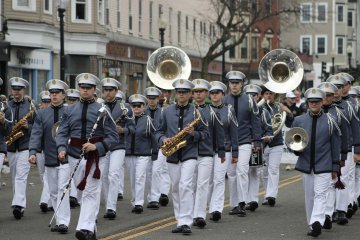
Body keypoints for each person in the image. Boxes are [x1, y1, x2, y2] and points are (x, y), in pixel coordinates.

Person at [56, 73, 119, 240]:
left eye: (88, 88)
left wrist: (96, 146)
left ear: (94, 90)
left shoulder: (103, 110)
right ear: (79, 89)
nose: (84, 91)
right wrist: (61, 148)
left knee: (91, 191)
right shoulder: (69, 110)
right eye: (82, 88)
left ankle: (83, 228)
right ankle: (92, 229)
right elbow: (62, 133)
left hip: (96, 157)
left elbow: (113, 137)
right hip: (74, 155)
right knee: (80, 191)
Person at [155, 79, 209, 235]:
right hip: (172, 153)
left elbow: (206, 134)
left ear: (190, 94)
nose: (181, 95)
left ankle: (186, 221)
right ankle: (180, 220)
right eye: (179, 92)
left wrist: (195, 133)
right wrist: (163, 139)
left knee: (186, 185)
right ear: (175, 93)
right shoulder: (167, 111)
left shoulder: (197, 111)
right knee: (176, 188)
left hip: (189, 153)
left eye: (185, 92)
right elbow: (158, 131)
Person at [287, 87, 340, 237]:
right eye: (311, 101)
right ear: (308, 102)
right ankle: (312, 223)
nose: (314, 104)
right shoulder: (299, 120)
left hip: (324, 164)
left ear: (322, 102)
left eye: (317, 101)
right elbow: (291, 141)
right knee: (309, 195)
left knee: (320, 194)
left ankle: (317, 221)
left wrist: (335, 166)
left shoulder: (331, 121)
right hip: (306, 163)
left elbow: (335, 145)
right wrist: (296, 150)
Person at [29, 79, 71, 233]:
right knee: (53, 191)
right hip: (50, 158)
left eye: (57, 93)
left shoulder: (69, 111)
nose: (54, 96)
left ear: (63, 95)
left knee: (62, 188)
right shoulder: (42, 113)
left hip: (66, 158)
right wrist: (33, 152)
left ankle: (64, 222)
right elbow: (36, 134)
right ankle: (59, 220)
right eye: (52, 93)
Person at [223, 71, 262, 217]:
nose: (234, 85)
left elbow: (256, 121)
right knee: (231, 173)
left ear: (242, 84)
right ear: (229, 84)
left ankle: (242, 202)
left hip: (245, 141)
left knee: (242, 170)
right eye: (232, 83)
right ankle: (234, 204)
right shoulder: (224, 100)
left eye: (237, 83)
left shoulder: (250, 100)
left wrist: (257, 140)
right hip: (228, 143)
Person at [191, 79, 225, 228]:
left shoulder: (213, 111)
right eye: (196, 92)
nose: (198, 95)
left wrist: (222, 152)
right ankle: (189, 213)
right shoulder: (187, 111)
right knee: (189, 185)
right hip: (188, 153)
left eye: (201, 92)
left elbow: (219, 133)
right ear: (192, 94)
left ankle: (199, 215)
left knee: (202, 184)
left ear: (207, 94)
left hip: (206, 152)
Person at [327, 74, 360, 225]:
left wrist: (357, 150)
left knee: (344, 178)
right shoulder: (324, 105)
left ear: (344, 88)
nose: (336, 90)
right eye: (333, 87)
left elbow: (355, 128)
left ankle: (341, 210)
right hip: (328, 149)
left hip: (346, 147)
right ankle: (329, 211)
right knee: (329, 180)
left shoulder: (351, 105)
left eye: (339, 87)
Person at [317, 81, 349, 230]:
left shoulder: (339, 112)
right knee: (319, 187)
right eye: (323, 95)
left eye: (329, 95)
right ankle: (320, 214)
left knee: (331, 183)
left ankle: (328, 214)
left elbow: (345, 135)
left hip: (333, 152)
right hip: (318, 153)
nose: (326, 98)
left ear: (333, 97)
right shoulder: (313, 111)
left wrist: (343, 156)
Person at [101, 78, 134, 220]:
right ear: (102, 92)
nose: (108, 93)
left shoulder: (124, 107)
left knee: (113, 175)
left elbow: (133, 128)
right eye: (106, 90)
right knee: (103, 176)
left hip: (118, 145)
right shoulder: (97, 106)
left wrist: (123, 130)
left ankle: (111, 207)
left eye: (111, 90)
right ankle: (108, 201)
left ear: (116, 91)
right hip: (102, 145)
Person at [207, 81, 238, 221]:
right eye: (212, 93)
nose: (214, 95)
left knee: (219, 179)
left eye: (217, 93)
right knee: (208, 181)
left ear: (222, 95)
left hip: (224, 149)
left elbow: (234, 132)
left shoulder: (229, 110)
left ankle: (216, 209)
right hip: (207, 150)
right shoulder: (204, 110)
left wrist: (235, 152)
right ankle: (206, 206)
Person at [7, 77, 35, 220]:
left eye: (19, 90)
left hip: (25, 145)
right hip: (11, 146)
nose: (16, 92)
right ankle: (19, 204)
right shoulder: (6, 105)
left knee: (21, 176)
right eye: (14, 89)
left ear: (23, 90)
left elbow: (37, 127)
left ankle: (18, 205)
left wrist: (27, 126)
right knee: (13, 177)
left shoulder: (30, 106)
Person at [260, 86, 293, 207]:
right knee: (264, 171)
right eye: (266, 93)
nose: (269, 96)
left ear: (275, 95)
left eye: (271, 94)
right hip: (262, 142)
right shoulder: (258, 108)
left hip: (276, 143)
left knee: (273, 169)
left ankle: (271, 195)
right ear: (262, 95)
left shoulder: (279, 107)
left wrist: (288, 112)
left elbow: (290, 123)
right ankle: (266, 195)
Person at [242, 84, 273, 211]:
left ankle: (253, 200)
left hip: (256, 145)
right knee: (242, 173)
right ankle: (242, 200)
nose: (251, 97)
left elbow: (268, 129)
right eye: (248, 95)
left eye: (254, 95)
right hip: (242, 144)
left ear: (258, 96)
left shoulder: (263, 112)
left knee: (254, 173)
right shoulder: (240, 111)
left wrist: (268, 136)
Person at [144, 87, 165, 210]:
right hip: (146, 146)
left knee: (157, 171)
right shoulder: (142, 111)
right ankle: (150, 195)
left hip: (159, 146)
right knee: (148, 173)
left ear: (158, 99)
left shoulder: (163, 112)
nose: (152, 101)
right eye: (150, 98)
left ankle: (154, 199)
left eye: (154, 98)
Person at [36, 90, 52, 213]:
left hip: (51, 149)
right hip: (40, 149)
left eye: (48, 101)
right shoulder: (38, 114)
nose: (46, 104)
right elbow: (34, 133)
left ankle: (45, 201)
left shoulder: (53, 113)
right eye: (44, 101)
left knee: (48, 175)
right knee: (43, 176)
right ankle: (50, 198)